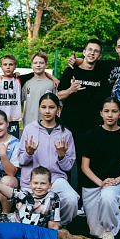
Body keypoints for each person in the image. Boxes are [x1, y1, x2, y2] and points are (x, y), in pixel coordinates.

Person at [68, 35, 120, 203]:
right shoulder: (108, 65)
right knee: (104, 162)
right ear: (116, 49)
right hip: (108, 125)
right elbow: (88, 62)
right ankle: (103, 197)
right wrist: (75, 60)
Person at [81, 98, 120, 239]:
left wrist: (115, 181)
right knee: (95, 232)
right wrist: (101, 183)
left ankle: (109, 231)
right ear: (101, 113)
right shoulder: (91, 135)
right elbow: (84, 167)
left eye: (114, 111)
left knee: (107, 198)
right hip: (93, 184)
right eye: (106, 111)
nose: (110, 115)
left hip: (115, 185)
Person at [17, 93, 79, 226]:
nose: (47, 111)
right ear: (39, 108)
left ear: (58, 109)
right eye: (44, 107)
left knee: (71, 199)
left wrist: (62, 156)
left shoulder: (66, 133)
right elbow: (21, 161)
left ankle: (59, 226)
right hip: (32, 181)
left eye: (51, 107)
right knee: (29, 219)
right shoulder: (30, 129)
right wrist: (29, 153)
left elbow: (68, 167)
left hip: (55, 179)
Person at [57, 39, 107, 192]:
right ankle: (64, 196)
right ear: (84, 52)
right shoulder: (71, 71)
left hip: (90, 127)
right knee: (64, 163)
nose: (92, 53)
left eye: (96, 51)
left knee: (85, 164)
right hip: (68, 125)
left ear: (99, 56)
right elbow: (58, 96)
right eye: (89, 50)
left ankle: (83, 198)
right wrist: (70, 90)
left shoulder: (102, 72)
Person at [0, 161, 60, 230]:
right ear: (30, 184)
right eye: (35, 183)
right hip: (12, 224)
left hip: (32, 232)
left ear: (50, 185)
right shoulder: (24, 195)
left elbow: (53, 226)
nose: (39, 186)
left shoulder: (52, 198)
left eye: (43, 183)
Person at [22, 52, 57, 126]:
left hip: (47, 125)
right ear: (32, 65)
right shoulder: (27, 84)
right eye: (35, 63)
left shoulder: (52, 84)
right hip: (29, 124)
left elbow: (57, 106)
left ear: (46, 65)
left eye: (41, 63)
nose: (38, 65)